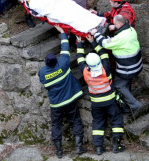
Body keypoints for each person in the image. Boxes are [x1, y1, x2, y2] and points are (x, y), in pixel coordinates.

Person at [38, 25, 86, 159]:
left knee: (56, 125)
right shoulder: (63, 63)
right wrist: (63, 33)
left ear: (47, 64)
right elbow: (65, 48)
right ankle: (79, 147)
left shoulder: (43, 73)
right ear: (56, 60)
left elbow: (45, 84)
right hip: (70, 99)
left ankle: (59, 151)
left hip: (56, 104)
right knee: (75, 120)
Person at [76, 35, 125, 155]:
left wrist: (79, 43)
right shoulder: (105, 69)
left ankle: (98, 148)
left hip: (96, 103)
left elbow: (79, 58)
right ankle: (117, 145)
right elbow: (103, 54)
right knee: (116, 121)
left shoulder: (85, 72)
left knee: (98, 123)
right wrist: (93, 42)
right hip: (110, 101)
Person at [91, 14, 143, 114]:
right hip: (136, 64)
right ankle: (127, 101)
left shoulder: (121, 37)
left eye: (115, 24)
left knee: (119, 85)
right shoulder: (130, 30)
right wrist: (114, 27)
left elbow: (105, 43)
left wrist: (96, 33)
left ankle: (135, 105)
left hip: (127, 68)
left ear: (119, 23)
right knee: (125, 84)